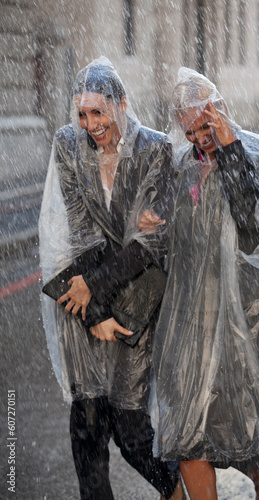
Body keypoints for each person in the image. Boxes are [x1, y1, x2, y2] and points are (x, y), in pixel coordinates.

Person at [147, 68, 259, 500]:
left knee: (238, 432)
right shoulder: (180, 168)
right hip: (187, 321)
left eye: (206, 124)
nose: (198, 137)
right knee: (186, 431)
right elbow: (166, 241)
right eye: (190, 129)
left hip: (242, 322)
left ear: (222, 109)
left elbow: (251, 226)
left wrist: (229, 147)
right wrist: (151, 225)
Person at [39, 56, 183, 500]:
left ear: (122, 104)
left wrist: (96, 287)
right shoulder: (68, 145)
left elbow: (150, 246)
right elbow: (79, 232)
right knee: (87, 434)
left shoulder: (154, 149)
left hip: (134, 301)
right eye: (81, 114)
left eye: (98, 112)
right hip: (83, 302)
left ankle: (174, 489)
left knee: (132, 433)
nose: (90, 124)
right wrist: (92, 308)